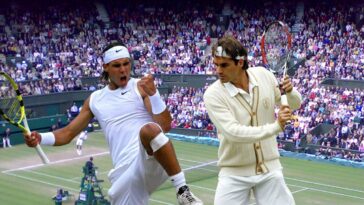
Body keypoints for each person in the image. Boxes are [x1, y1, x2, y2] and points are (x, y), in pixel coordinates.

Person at [24, 42, 203, 205]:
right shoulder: (95, 100)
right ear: (106, 68)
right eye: (117, 66)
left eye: (126, 64)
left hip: (148, 159)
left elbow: (164, 126)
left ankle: (183, 191)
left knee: (149, 130)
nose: (123, 70)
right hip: (124, 175)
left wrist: (155, 94)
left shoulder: (140, 87)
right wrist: (40, 138)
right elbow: (68, 133)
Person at [203, 36, 302, 205]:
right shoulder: (212, 95)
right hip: (233, 173)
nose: (218, 70)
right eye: (216, 65)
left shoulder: (264, 75)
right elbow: (234, 133)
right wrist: (276, 126)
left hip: (270, 169)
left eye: (224, 65)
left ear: (240, 62)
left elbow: (295, 104)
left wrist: (291, 92)